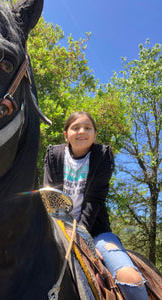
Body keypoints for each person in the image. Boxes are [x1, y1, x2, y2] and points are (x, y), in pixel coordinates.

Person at [43, 111, 149, 300]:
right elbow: (50, 198)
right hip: (57, 229)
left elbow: (94, 200)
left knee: (131, 279)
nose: (81, 131)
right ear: (66, 134)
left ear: (94, 134)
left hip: (96, 232)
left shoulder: (102, 156)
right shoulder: (54, 155)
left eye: (87, 128)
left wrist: (84, 240)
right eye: (75, 127)